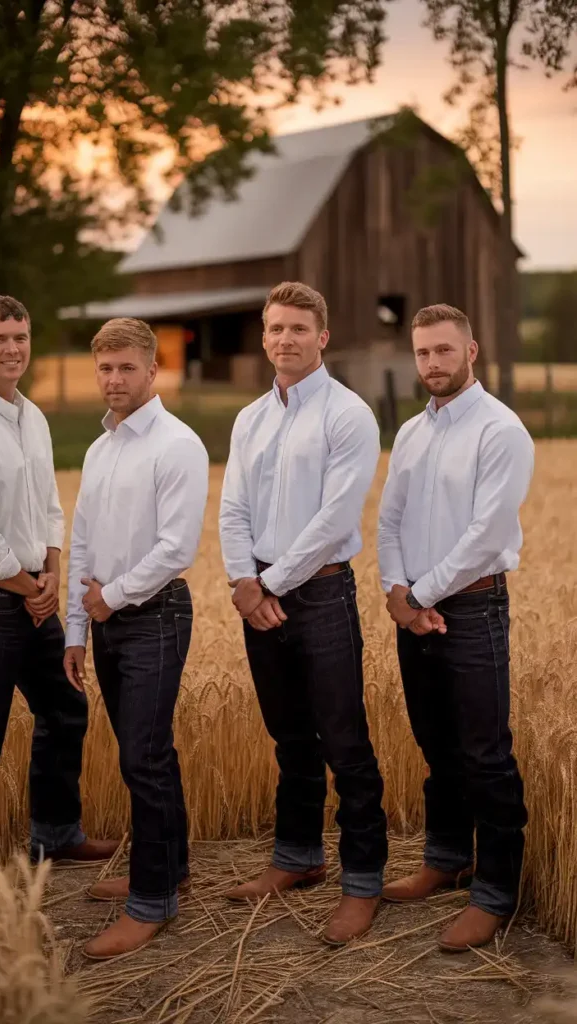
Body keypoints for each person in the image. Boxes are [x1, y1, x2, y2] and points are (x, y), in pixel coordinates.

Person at [219, 281, 387, 946]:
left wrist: (269, 586)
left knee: (344, 743)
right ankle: (296, 857)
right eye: (274, 328)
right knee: (289, 739)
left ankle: (362, 882)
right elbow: (232, 506)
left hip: (317, 592)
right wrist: (243, 579)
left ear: (321, 337)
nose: (283, 339)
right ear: (263, 336)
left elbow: (333, 520)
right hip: (258, 593)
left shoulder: (346, 416)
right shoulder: (250, 418)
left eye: (297, 329)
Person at [0, 294, 118, 865]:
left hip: (36, 596)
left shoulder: (30, 415)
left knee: (65, 709)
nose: (13, 349)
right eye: (0, 339)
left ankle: (55, 836)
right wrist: (32, 589)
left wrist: (53, 573)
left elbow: (49, 510)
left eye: (21, 337)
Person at [378, 303, 534, 952]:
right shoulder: (413, 433)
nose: (432, 364)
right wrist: (395, 593)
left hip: (471, 608)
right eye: (422, 353)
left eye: (444, 351)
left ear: (470, 351)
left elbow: (484, 536)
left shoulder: (501, 431)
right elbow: (388, 519)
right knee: (435, 745)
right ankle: (446, 859)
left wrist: (418, 593)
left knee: (483, 753)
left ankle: (495, 893)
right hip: (414, 611)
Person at [64, 317, 209, 959]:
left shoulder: (177, 445)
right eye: (106, 369)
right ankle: (169, 867)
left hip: (155, 615)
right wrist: (75, 628)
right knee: (146, 751)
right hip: (104, 621)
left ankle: (150, 903)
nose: (115, 379)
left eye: (127, 368)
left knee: (142, 758)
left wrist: (111, 597)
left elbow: (177, 548)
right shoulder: (101, 449)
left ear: (153, 371)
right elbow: (84, 545)